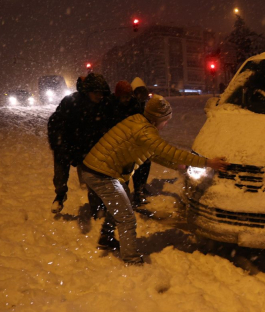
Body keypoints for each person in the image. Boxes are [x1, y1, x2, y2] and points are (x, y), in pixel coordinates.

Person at [80, 95, 228, 265]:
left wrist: (180, 166)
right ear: (159, 118)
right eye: (166, 120)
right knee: (126, 216)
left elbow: (155, 154)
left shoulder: (138, 121)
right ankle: (131, 259)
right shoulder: (145, 132)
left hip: (97, 168)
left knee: (123, 202)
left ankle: (106, 237)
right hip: (102, 174)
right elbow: (169, 151)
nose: (166, 124)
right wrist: (208, 162)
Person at [47, 73, 113, 214]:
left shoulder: (104, 105)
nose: (99, 95)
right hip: (67, 145)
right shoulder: (71, 102)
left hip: (88, 148)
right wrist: (58, 144)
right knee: (60, 174)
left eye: (101, 93)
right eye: (96, 92)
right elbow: (55, 122)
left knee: (93, 180)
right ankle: (60, 195)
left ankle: (97, 208)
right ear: (88, 91)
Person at [130, 78, 153, 206]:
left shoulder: (143, 104)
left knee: (146, 164)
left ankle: (141, 187)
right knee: (138, 167)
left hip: (144, 140)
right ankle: (138, 192)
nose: (141, 96)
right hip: (135, 141)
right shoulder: (133, 105)